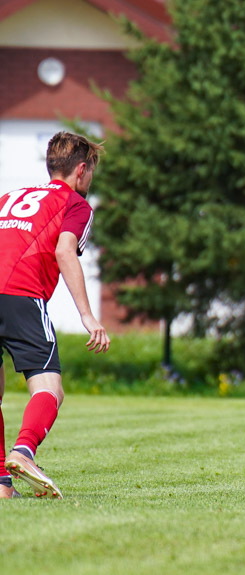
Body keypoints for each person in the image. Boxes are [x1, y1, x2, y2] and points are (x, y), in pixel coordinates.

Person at [0, 131, 111, 499]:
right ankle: (24, 451)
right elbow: (66, 252)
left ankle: (2, 486)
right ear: (81, 170)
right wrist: (88, 316)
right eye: (91, 171)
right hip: (21, 294)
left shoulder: (10, 198)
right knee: (50, 389)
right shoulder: (75, 203)